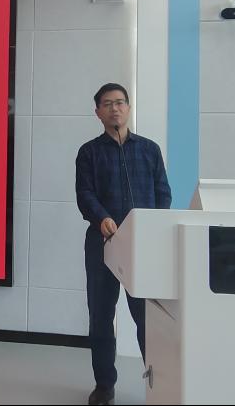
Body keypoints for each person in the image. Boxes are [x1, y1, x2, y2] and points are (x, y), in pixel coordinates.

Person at [75, 83, 172, 405]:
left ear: (128, 108)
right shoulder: (88, 152)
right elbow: (85, 194)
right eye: (107, 104)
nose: (114, 108)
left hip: (142, 247)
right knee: (101, 316)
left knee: (146, 318)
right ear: (98, 112)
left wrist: (154, 228)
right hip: (102, 245)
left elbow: (163, 194)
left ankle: (161, 384)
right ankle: (104, 385)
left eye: (119, 102)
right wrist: (101, 217)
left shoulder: (149, 150)